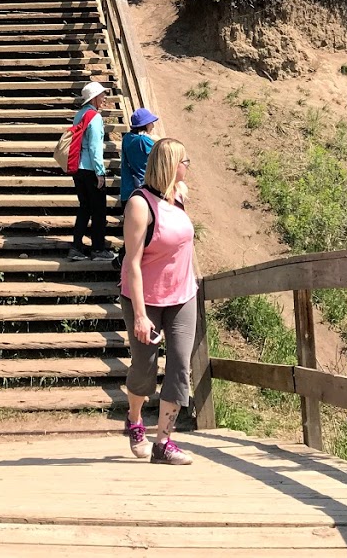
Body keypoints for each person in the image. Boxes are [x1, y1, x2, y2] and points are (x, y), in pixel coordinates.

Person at [120, 138, 197, 464]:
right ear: (170, 165)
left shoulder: (179, 196)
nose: (188, 166)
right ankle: (135, 419)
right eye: (185, 161)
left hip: (182, 296)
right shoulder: (140, 205)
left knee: (180, 366)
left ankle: (164, 441)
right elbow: (132, 262)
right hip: (145, 299)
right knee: (144, 367)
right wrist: (140, 315)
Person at [69, 80, 114, 262]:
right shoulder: (94, 117)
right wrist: (100, 172)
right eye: (102, 95)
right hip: (90, 169)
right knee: (99, 210)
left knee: (84, 208)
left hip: (77, 168)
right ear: (94, 98)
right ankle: (97, 249)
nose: (104, 98)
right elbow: (95, 147)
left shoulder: (79, 115)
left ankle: (76, 247)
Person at [120, 108, 158, 208]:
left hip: (127, 191)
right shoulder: (143, 141)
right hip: (143, 191)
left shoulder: (127, 138)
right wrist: (157, 139)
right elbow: (163, 154)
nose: (153, 126)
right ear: (145, 125)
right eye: (151, 123)